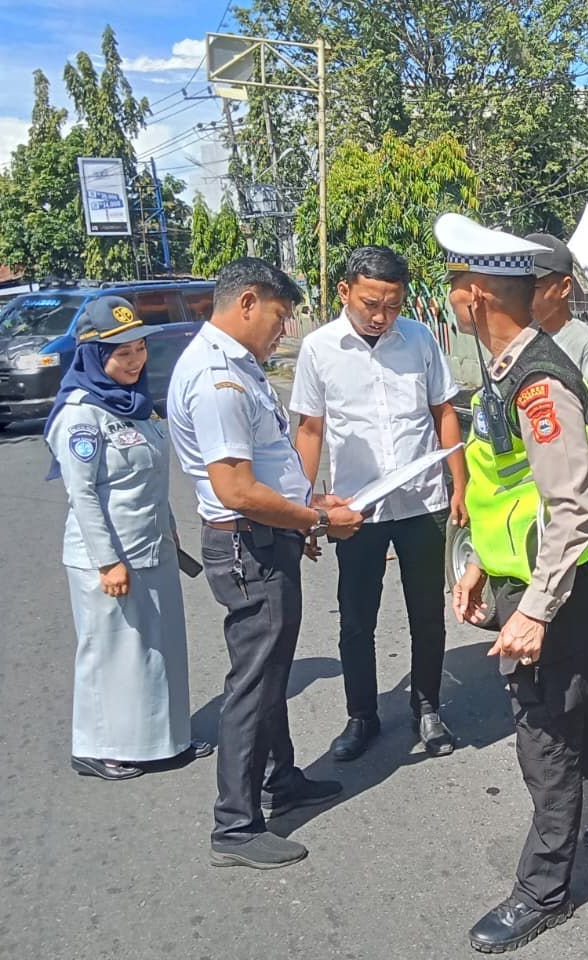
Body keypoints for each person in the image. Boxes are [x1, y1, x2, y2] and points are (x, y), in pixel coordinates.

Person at [437, 213, 588, 953]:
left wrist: (535, 612)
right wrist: (480, 561)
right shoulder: (505, 372)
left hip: (552, 589)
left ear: (477, 295)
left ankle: (543, 892)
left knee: (545, 739)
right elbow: (507, 491)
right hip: (522, 577)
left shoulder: (539, 382)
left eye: (453, 284)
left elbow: (571, 511)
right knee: (575, 707)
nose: (449, 296)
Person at [168, 258, 363, 870]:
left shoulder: (237, 367)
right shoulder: (217, 378)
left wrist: (306, 505)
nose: (285, 331)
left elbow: (269, 467)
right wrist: (318, 521)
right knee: (254, 680)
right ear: (247, 302)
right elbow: (236, 489)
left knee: (271, 668)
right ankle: (235, 824)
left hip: (266, 536)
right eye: (280, 317)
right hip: (248, 542)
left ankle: (281, 776)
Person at [291, 246, 467, 761]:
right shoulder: (319, 349)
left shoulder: (418, 339)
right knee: (356, 617)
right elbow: (310, 430)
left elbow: (444, 411)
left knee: (427, 613)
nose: (381, 316)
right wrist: (307, 512)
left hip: (423, 502)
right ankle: (361, 716)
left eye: (392, 305)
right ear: (345, 292)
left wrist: (460, 484)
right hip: (355, 510)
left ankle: (428, 708)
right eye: (371, 303)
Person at [44, 296, 212, 781]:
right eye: (122, 353)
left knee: (158, 648)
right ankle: (98, 746)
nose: (135, 359)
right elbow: (84, 496)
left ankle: (165, 740)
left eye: (139, 347)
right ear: (94, 356)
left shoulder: (136, 405)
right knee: (112, 651)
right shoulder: (81, 414)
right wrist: (106, 562)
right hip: (110, 556)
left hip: (152, 546)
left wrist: (169, 528)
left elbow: (150, 479)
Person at [525, 233, 588, 719]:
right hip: (537, 513)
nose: (525, 291)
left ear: (563, 288)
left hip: (578, 511)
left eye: (536, 283)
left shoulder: (586, 346)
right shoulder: (525, 343)